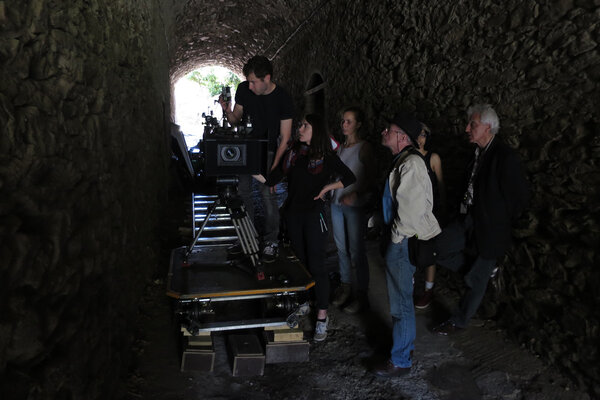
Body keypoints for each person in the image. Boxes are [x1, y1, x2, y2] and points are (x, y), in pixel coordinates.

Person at [432, 104, 530, 336]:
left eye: (472, 124)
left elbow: (519, 197)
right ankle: (482, 273)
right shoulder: (476, 153)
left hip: (490, 228)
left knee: (476, 279)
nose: (467, 128)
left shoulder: (504, 157)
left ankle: (459, 321)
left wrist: (500, 221)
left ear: (488, 127)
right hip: (466, 219)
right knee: (435, 247)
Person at [261, 114, 356, 342]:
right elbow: (272, 178)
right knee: (301, 264)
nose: (299, 128)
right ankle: (306, 302)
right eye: (300, 124)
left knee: (317, 265)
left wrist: (326, 189)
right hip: (293, 215)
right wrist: (248, 169)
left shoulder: (326, 157)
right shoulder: (293, 152)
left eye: (305, 125)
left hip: (315, 217)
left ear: (316, 131)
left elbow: (349, 177)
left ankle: (322, 317)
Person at [372, 113, 441, 378]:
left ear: (402, 136)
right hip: (400, 239)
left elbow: (409, 216)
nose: (383, 133)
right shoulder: (403, 161)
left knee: (400, 304)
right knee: (402, 301)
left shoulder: (411, 164)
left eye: (388, 130)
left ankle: (400, 360)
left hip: (403, 242)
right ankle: (405, 349)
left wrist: (395, 239)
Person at [218, 55, 294, 262]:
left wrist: (275, 169)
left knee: (268, 195)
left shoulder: (283, 98)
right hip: (247, 150)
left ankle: (271, 241)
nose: (249, 86)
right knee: (243, 194)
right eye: (248, 81)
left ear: (266, 78)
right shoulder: (243, 90)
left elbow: (285, 137)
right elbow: (235, 119)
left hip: (269, 151)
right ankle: (246, 237)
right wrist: (226, 109)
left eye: (253, 82)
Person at [330, 106, 376, 314]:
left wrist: (357, 194)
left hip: (354, 207)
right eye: (343, 121)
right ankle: (345, 285)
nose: (344, 125)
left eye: (348, 121)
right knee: (341, 248)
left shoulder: (364, 148)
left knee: (357, 251)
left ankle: (361, 293)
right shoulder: (339, 149)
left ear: (358, 124)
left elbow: (372, 177)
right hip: (337, 204)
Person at [413, 124, 446, 309]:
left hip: (429, 213)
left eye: (423, 135)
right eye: (417, 135)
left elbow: (440, 185)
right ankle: (410, 287)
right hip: (411, 212)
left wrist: (443, 209)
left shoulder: (433, 158)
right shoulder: (407, 157)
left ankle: (428, 290)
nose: (420, 139)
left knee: (429, 251)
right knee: (411, 249)